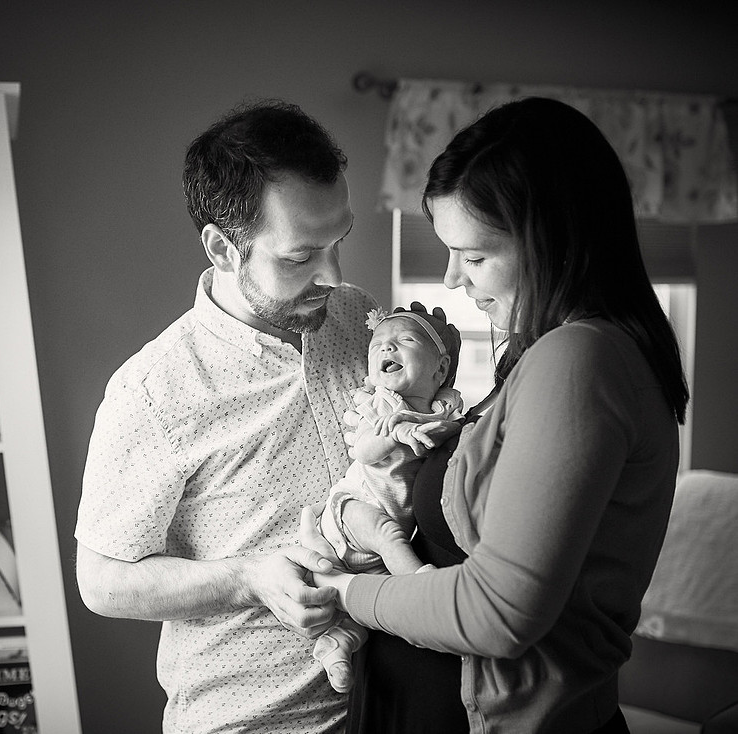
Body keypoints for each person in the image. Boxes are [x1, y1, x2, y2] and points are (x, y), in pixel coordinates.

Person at [301, 96, 689, 734]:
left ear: (553, 239)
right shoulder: (559, 357)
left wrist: (343, 593)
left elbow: (498, 614)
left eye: (475, 257)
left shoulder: (580, 359)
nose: (452, 279)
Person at [75, 100, 378, 734]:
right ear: (222, 247)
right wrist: (248, 579)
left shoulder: (359, 320)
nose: (335, 276)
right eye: (299, 257)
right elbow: (102, 582)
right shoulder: (153, 391)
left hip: (391, 705)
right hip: (248, 723)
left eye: (339, 241)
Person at [312, 305, 464, 694]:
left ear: (440, 368)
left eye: (404, 341)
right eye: (377, 345)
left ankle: (336, 645)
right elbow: (363, 451)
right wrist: (394, 434)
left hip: (385, 535)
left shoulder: (440, 407)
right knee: (388, 537)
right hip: (354, 508)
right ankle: (419, 585)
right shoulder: (381, 405)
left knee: (373, 608)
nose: (386, 349)